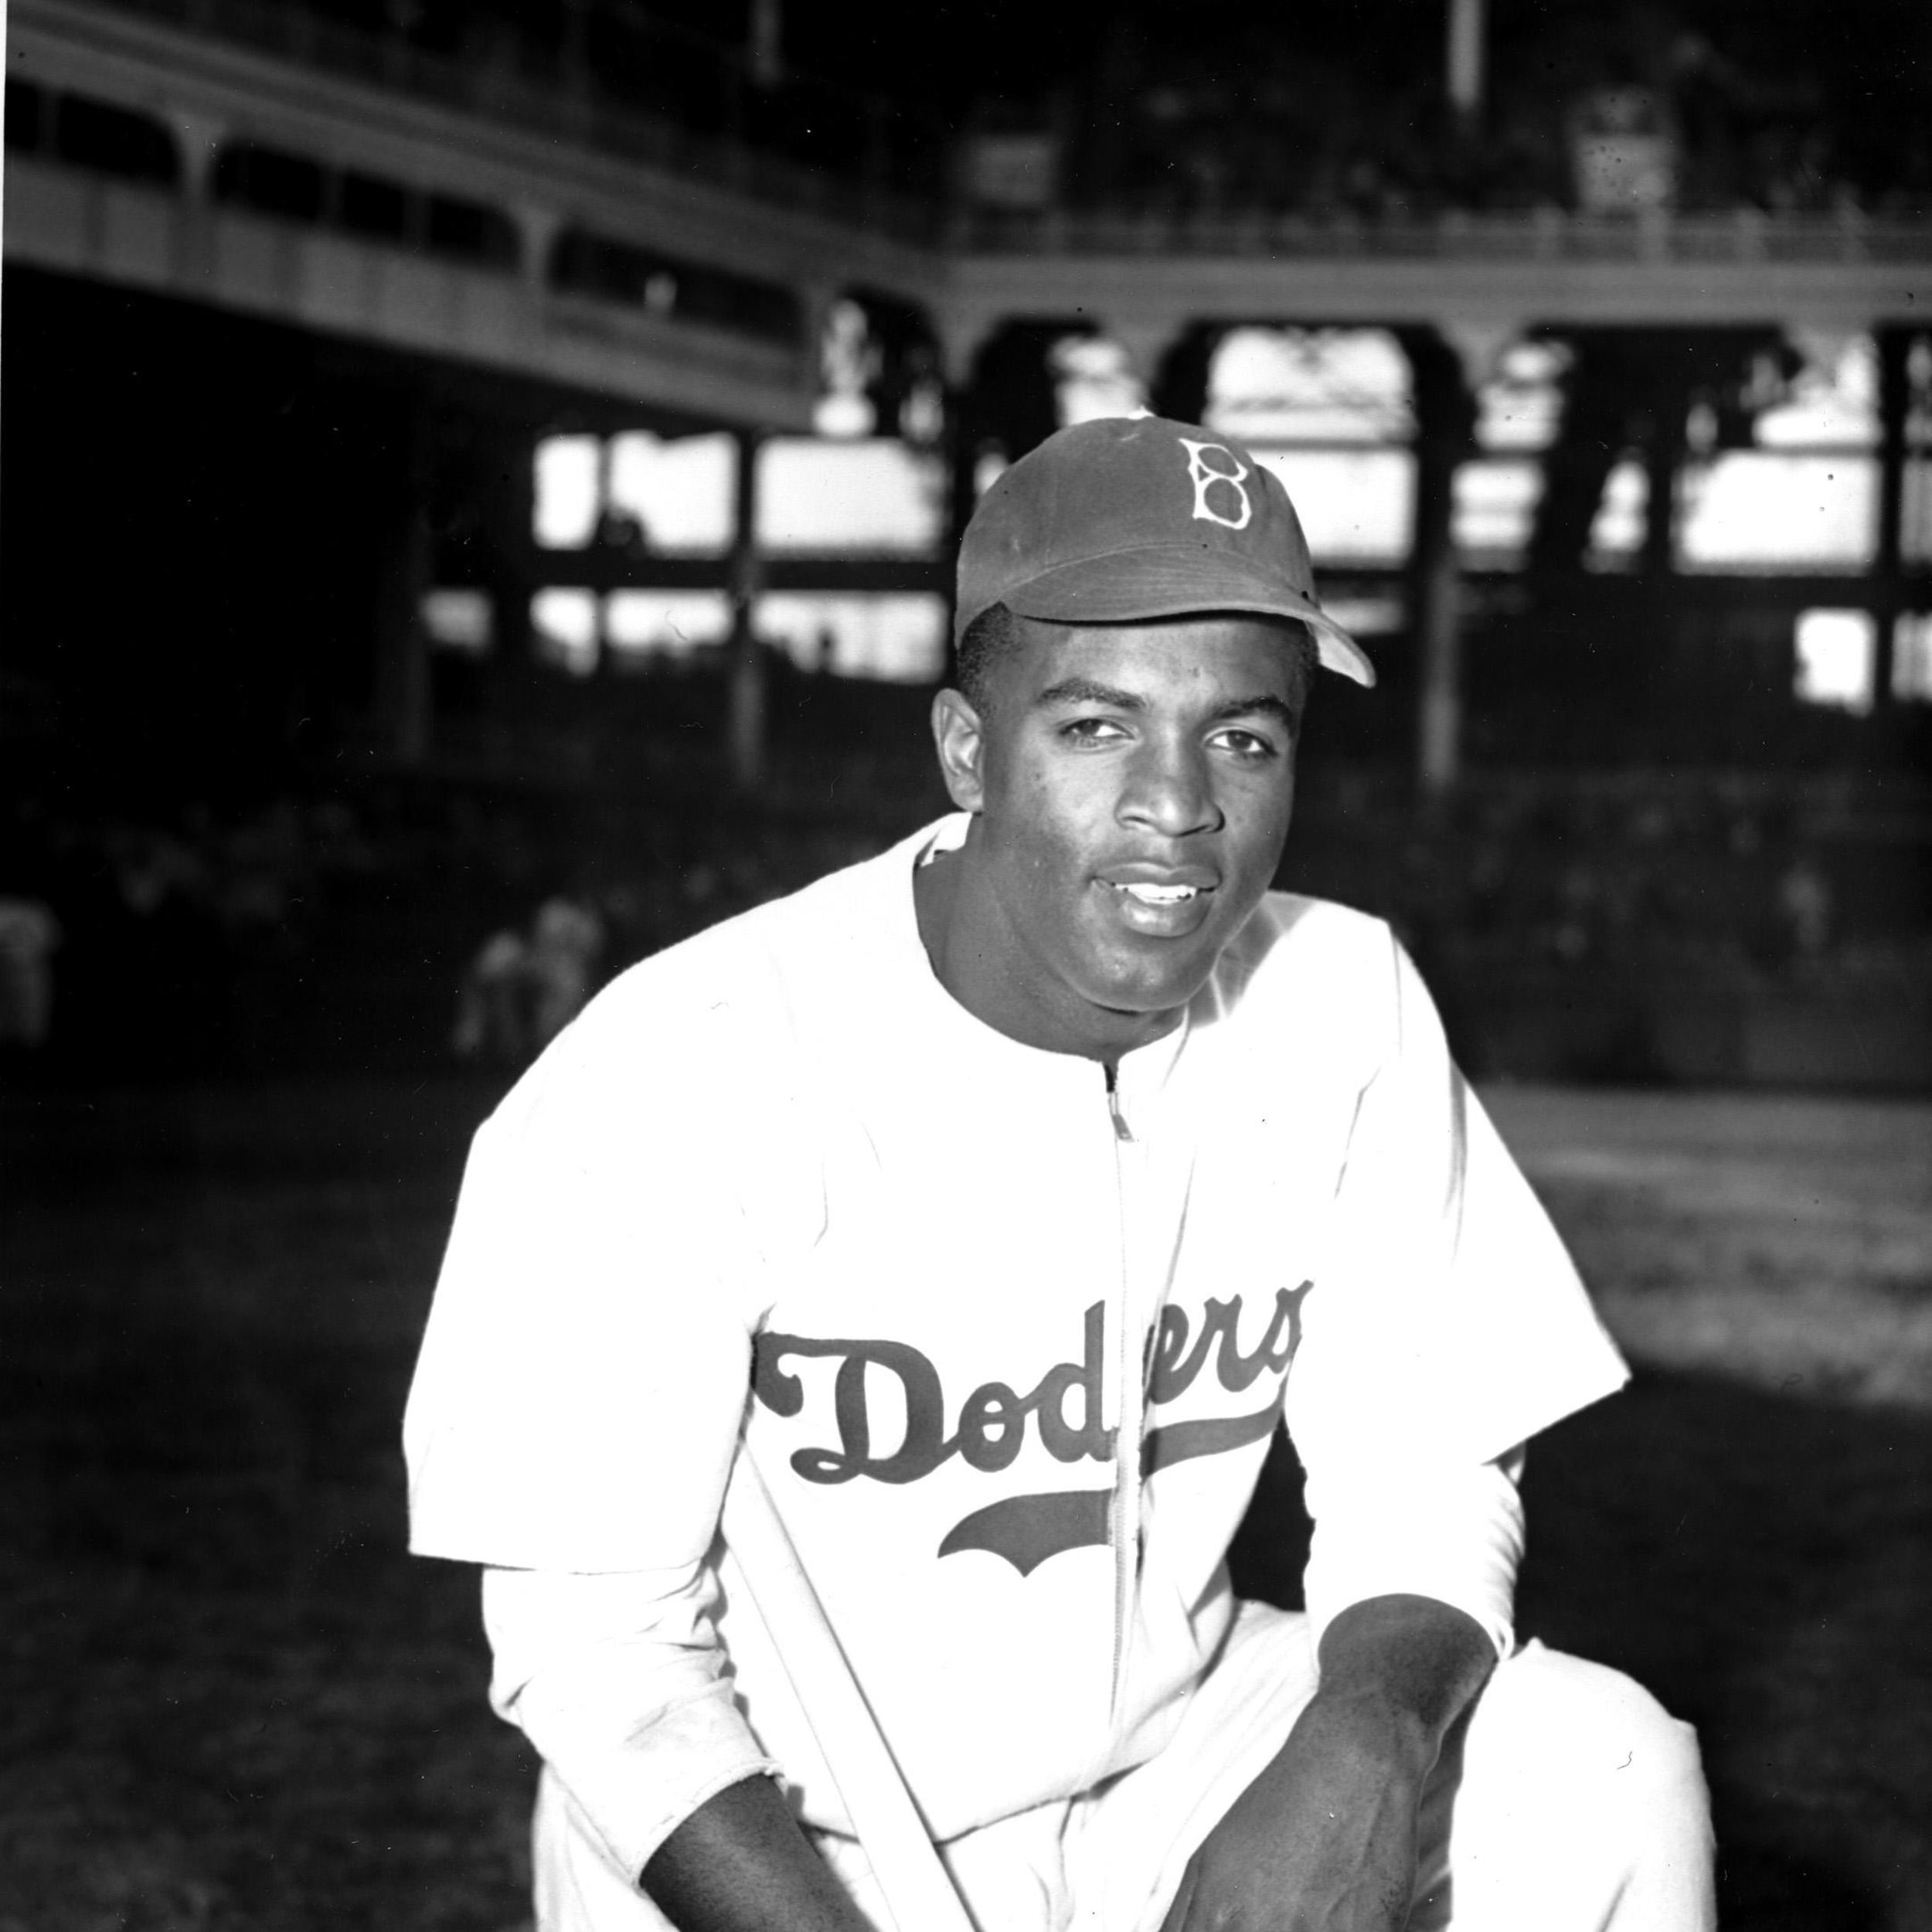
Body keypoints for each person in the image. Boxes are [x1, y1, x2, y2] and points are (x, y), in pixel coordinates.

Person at [404, 415, 1716, 1932]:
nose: (1180, 800)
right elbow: (594, 1645)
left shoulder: (1338, 995)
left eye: (1244, 732)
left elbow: (1420, 1464)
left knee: (1598, 1763)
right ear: (967, 745)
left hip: (1173, 1759)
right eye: (1095, 724)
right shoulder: (674, 1070)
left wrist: (1354, 1745)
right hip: (792, 1829)